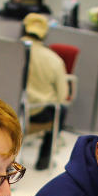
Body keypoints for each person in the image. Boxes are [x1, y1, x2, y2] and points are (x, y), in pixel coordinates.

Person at [21, 13, 69, 171]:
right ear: (45, 34)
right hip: (36, 112)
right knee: (61, 110)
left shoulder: (7, 50)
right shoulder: (53, 59)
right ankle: (44, 159)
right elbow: (62, 96)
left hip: (5, 108)